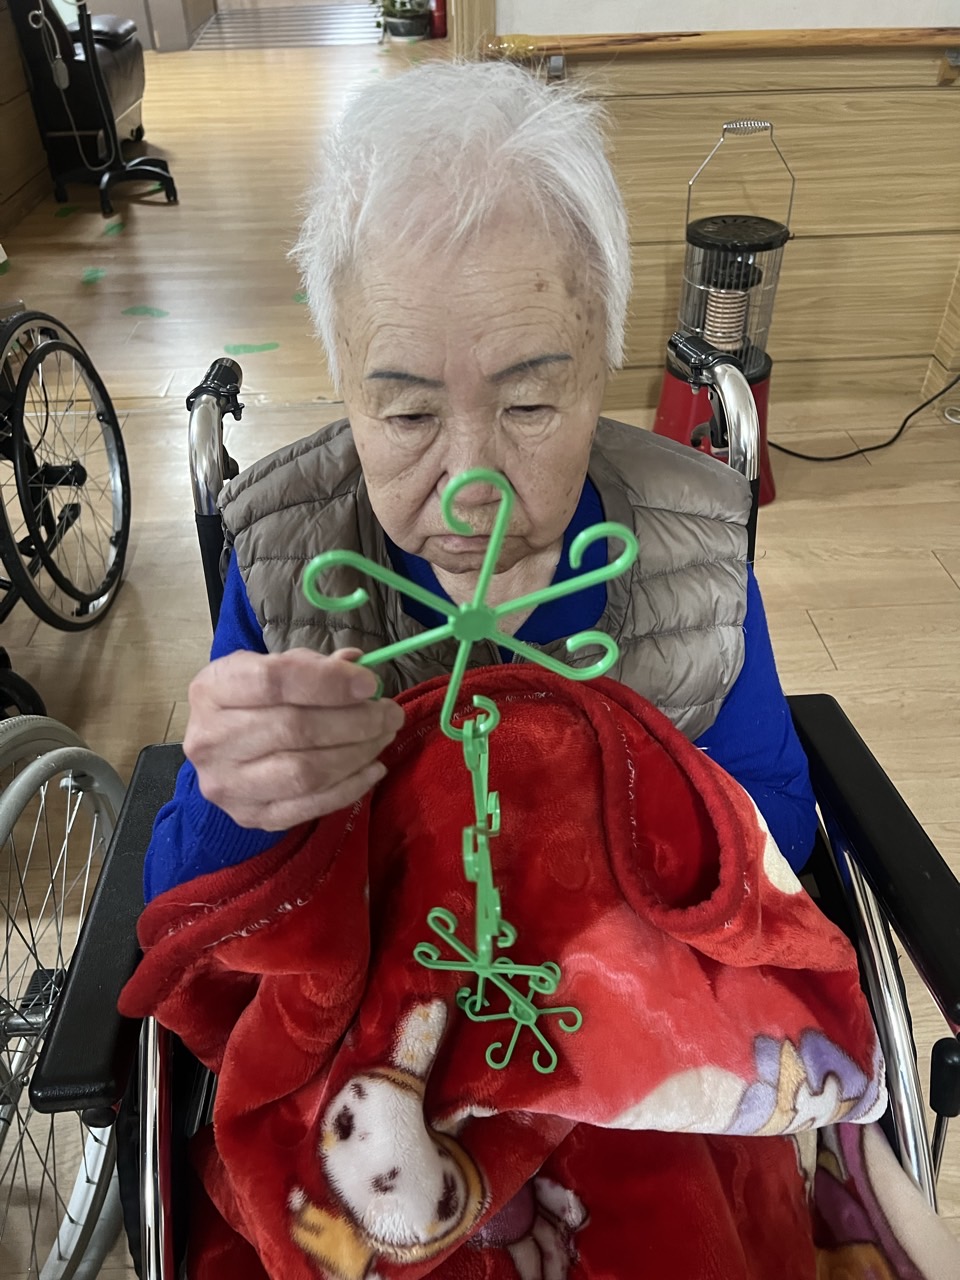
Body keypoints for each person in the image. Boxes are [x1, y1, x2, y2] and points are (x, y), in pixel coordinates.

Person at [144, 59, 816, 901]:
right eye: (408, 416)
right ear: (344, 389)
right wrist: (240, 802)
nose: (471, 493)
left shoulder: (695, 550)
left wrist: (585, 825)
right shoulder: (286, 558)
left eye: (528, 405)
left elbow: (782, 822)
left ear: (600, 373)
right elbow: (175, 891)